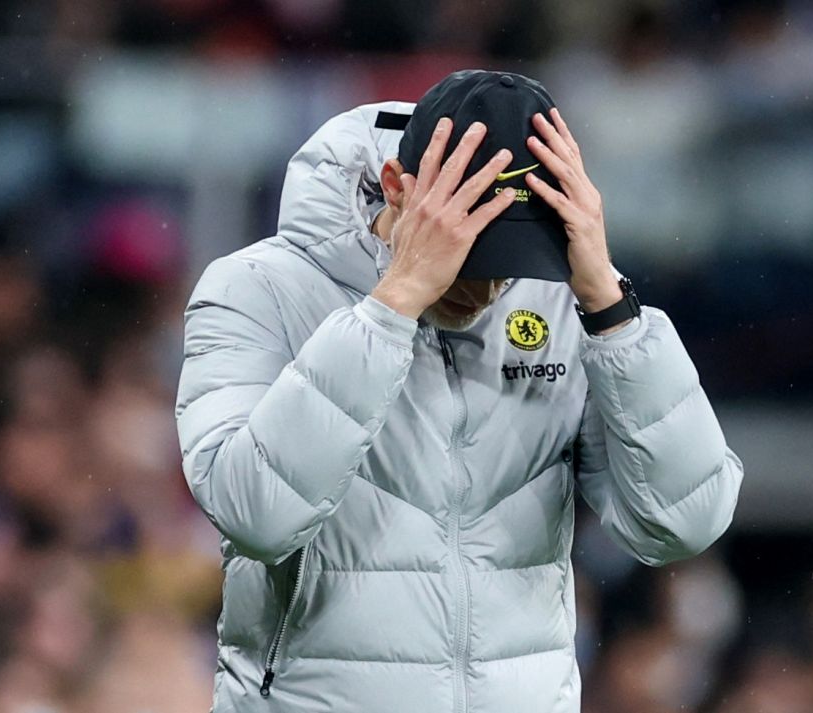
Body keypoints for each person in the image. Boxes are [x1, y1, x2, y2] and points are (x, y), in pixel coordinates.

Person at [175, 70, 743, 713]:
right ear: (395, 187)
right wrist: (392, 307)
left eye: (514, 259)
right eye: (471, 251)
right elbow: (256, 514)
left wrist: (614, 314)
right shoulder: (255, 289)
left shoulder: (562, 297)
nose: (489, 288)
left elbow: (682, 524)